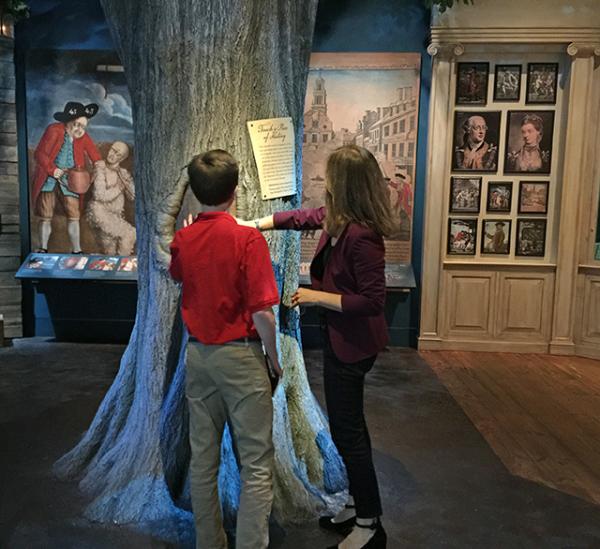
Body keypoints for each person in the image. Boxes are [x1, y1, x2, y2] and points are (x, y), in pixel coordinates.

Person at [241, 144, 392, 549]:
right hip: (340, 339)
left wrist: (314, 297)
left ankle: (369, 522)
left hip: (355, 346)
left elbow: (373, 301)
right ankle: (360, 505)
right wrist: (252, 224)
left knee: (350, 432)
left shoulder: (363, 237)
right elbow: (300, 218)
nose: (324, 185)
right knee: (346, 429)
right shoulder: (338, 218)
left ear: (345, 186)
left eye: (330, 178)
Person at [169, 150, 281, 549]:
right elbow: (264, 312)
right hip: (242, 357)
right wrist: (274, 359)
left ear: (196, 193)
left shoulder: (184, 239)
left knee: (203, 460)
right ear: (234, 192)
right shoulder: (247, 239)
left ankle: (209, 542)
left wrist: (186, 232)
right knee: (255, 462)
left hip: (198, 358)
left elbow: (178, 272)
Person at [32, 101, 102, 253]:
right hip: (49, 177)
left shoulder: (82, 136)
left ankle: (76, 250)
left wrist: (98, 164)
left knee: (74, 214)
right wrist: (53, 169)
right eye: (76, 124)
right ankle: (43, 248)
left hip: (71, 180)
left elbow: (94, 154)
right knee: (45, 214)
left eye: (83, 126)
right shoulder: (54, 130)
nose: (79, 129)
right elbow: (39, 154)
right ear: (67, 122)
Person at [86, 141, 136, 255]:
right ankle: (124, 264)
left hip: (115, 214)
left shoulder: (123, 172)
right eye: (112, 150)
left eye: (118, 154)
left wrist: (127, 184)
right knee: (130, 233)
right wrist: (119, 188)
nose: (113, 155)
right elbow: (100, 195)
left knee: (110, 251)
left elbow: (132, 196)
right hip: (100, 212)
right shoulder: (100, 168)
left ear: (122, 158)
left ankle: (120, 268)